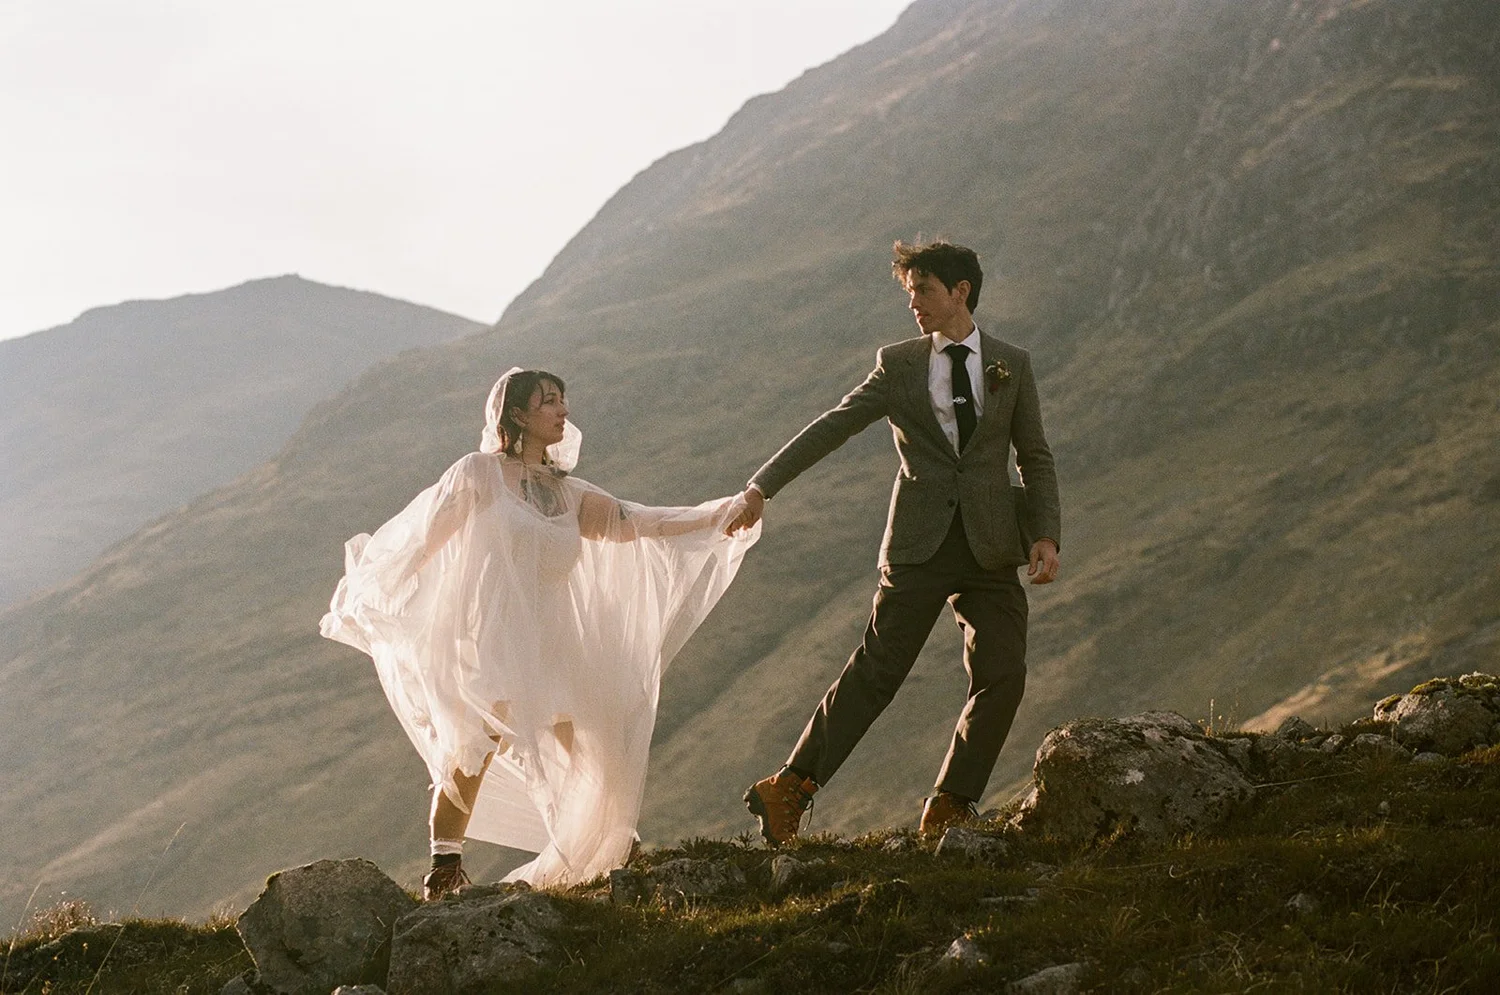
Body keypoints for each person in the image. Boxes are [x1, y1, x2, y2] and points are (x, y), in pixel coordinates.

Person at [321, 368, 758, 898]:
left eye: (564, 400)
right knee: (472, 747)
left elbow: (638, 522)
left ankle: (615, 844)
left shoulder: (571, 494)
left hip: (555, 639)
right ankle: (444, 868)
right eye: (549, 401)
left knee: (588, 744)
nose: (563, 410)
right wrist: (389, 593)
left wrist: (719, 514)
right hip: (494, 635)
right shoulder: (478, 474)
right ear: (518, 415)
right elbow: (425, 543)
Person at [726, 240, 1062, 843]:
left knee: (1004, 672)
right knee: (880, 669)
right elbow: (833, 425)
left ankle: (951, 803)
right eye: (909, 294)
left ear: (960, 292)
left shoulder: (1012, 363)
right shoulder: (899, 365)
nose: (915, 305)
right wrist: (761, 487)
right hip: (919, 545)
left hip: (992, 548)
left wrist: (1045, 534)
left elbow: (1033, 456)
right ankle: (790, 786)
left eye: (925, 291)